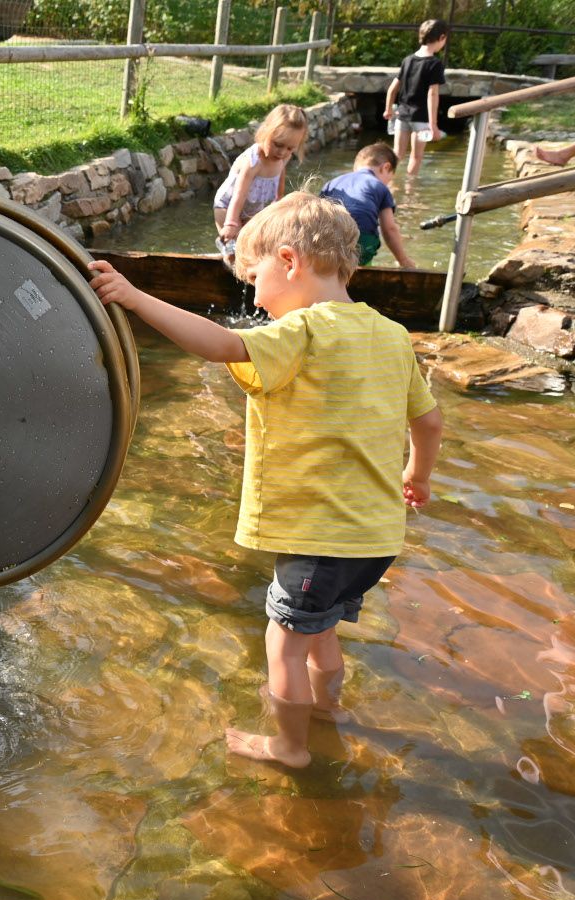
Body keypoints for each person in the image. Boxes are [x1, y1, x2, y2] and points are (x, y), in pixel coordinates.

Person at [88, 192, 443, 769]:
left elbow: (222, 345)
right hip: (376, 539)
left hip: (318, 540)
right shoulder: (392, 334)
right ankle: (327, 711)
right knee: (323, 634)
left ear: (289, 261)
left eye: (253, 279)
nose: (252, 295)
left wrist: (133, 297)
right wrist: (416, 477)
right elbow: (427, 422)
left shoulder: (302, 331)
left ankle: (290, 747)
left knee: (283, 642)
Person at [212, 104, 308, 262]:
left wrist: (279, 199)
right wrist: (230, 223)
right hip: (228, 206)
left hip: (254, 207)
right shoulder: (254, 161)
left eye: (290, 148)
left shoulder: (284, 156)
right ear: (266, 132)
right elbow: (239, 193)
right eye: (278, 144)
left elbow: (281, 172)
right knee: (235, 247)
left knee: (254, 249)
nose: (282, 152)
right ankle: (228, 262)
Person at [320, 142, 416, 268]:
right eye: (390, 179)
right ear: (385, 168)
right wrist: (403, 260)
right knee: (362, 260)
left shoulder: (331, 183)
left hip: (327, 240)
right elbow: (389, 229)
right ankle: (365, 269)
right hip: (361, 241)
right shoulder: (379, 186)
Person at [384, 19, 448, 176]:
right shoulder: (435, 64)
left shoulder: (408, 60)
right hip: (421, 118)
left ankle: (388, 186)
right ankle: (409, 192)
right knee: (416, 157)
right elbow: (432, 94)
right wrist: (433, 125)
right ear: (441, 38)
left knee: (397, 155)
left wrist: (388, 110)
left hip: (402, 115)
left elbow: (392, 88)